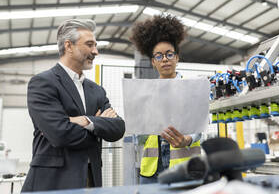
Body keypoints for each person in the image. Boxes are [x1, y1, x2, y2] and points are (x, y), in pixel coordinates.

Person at [21, 19, 125, 192]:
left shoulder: (96, 90)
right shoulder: (43, 83)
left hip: (91, 181)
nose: (95, 51)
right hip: (54, 182)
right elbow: (60, 134)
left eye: (95, 45)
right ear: (69, 46)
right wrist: (98, 125)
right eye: (89, 45)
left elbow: (118, 129)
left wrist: (85, 121)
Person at [130, 14, 202, 184]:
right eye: (159, 56)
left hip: (185, 166)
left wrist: (188, 139)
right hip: (151, 170)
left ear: (177, 57)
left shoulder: (192, 89)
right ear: (153, 62)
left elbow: (201, 124)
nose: (165, 60)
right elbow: (140, 136)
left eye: (169, 54)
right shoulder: (145, 93)